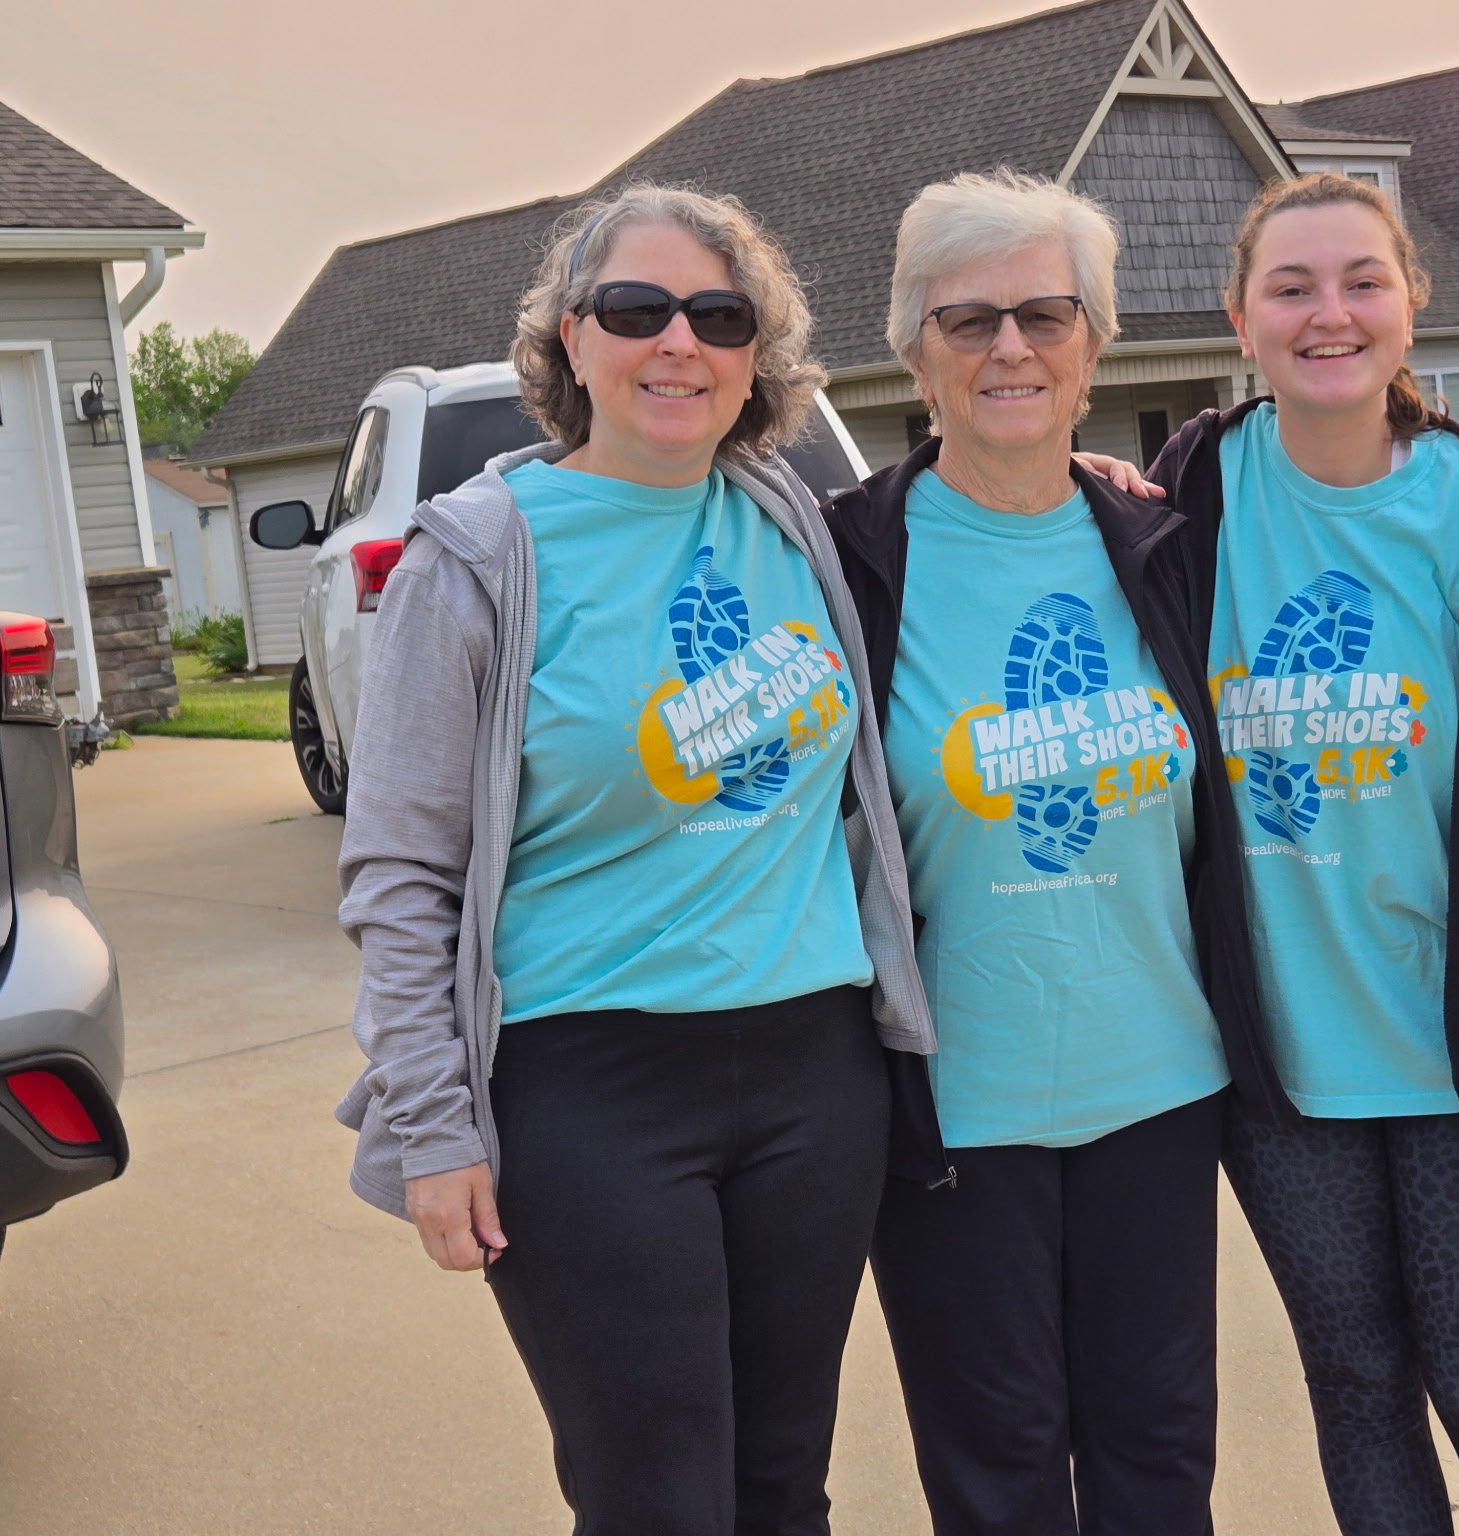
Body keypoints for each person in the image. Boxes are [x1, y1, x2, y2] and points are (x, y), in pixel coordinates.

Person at [332, 184, 933, 1536]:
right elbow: (399, 874)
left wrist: (1105, 477)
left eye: (720, 316)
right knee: (653, 1495)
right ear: (569, 339)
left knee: (783, 1487)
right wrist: (436, 1130)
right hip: (587, 1088)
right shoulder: (479, 555)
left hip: (813, 1074)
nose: (679, 342)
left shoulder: (796, 519)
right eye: (637, 308)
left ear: (753, 357)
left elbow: (989, 508)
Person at [826, 170, 1290, 1536]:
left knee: (1159, 1460)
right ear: (914, 348)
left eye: (1043, 314)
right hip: (954, 1108)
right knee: (998, 1474)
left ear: (1096, 343)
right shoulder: (849, 562)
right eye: (968, 322)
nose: (1010, 349)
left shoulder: (1160, 542)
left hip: (1157, 1082)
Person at [1144, 173, 1459, 1536]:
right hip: (1284, 1063)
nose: (1326, 312)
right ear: (1240, 315)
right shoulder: (1189, 503)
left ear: (1413, 305)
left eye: (1360, 280)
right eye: (1290, 286)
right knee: (1352, 1377)